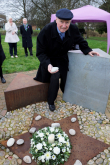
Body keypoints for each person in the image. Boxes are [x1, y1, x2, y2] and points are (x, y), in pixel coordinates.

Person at [33, 8, 99, 111]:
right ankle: (51, 101)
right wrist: (47, 65)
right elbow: (40, 52)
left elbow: (80, 40)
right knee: (54, 78)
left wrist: (88, 50)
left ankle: (67, 96)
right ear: (56, 20)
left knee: (66, 79)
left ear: (70, 22)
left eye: (67, 22)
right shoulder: (46, 30)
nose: (64, 25)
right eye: (61, 22)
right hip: (49, 59)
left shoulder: (73, 29)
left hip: (63, 59)